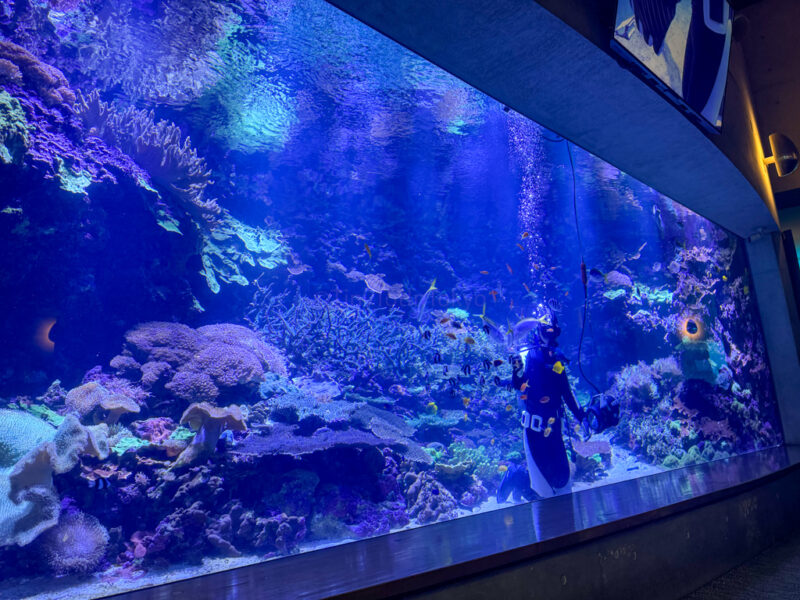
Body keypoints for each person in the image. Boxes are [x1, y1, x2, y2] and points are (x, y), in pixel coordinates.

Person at [504, 305, 587, 499]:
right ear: (538, 330)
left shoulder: (556, 358)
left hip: (554, 426)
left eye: (553, 333)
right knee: (542, 490)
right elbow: (518, 385)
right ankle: (517, 476)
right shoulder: (525, 354)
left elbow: (566, 392)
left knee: (562, 480)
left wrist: (582, 417)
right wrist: (516, 371)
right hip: (533, 429)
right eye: (545, 332)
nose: (549, 338)